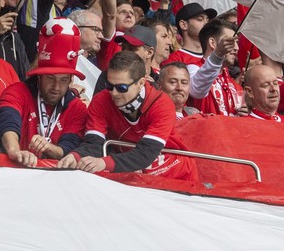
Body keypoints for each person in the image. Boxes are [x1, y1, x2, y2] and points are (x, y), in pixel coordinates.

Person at [56, 52, 197, 180]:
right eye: (110, 86)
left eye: (122, 88)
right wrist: (75, 156)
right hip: (128, 157)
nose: (114, 93)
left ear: (141, 83)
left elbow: (145, 154)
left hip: (169, 160)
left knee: (131, 172)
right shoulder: (101, 100)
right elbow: (94, 143)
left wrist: (103, 162)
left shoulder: (161, 103)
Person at [0, 18, 89, 168]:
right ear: (39, 76)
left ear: (71, 80)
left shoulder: (78, 108)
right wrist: (14, 150)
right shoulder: (17, 92)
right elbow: (7, 121)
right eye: (50, 78)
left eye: (63, 80)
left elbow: (68, 147)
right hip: (14, 170)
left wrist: (48, 148)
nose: (56, 87)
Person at [186, 19, 242, 116]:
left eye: (237, 42)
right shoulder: (192, 69)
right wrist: (218, 55)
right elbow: (197, 91)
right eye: (230, 41)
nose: (237, 48)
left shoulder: (234, 85)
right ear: (213, 43)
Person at [164, 2, 215, 67]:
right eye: (200, 19)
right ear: (183, 25)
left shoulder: (214, 58)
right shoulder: (174, 60)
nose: (206, 23)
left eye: (207, 20)